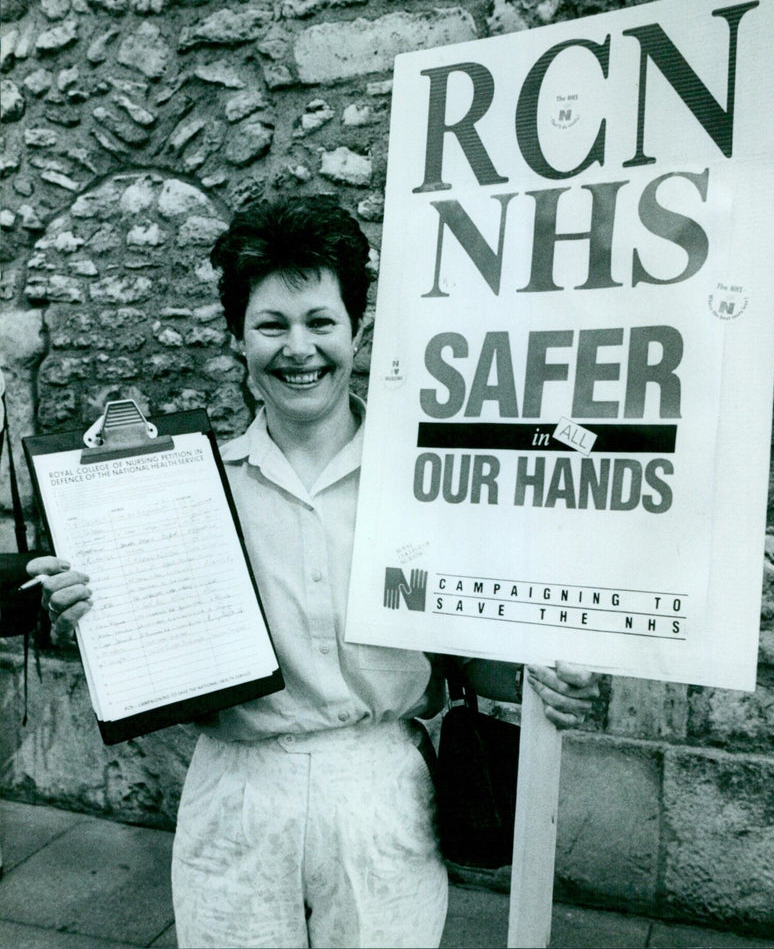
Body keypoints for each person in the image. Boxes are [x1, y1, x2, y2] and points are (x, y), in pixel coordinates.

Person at [39, 195, 600, 949]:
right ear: (238, 339)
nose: (298, 348)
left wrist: (551, 679)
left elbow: (479, 649)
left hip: (381, 785)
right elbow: (151, 649)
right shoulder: (191, 488)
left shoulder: (427, 480)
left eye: (320, 322)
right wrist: (87, 613)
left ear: (357, 330)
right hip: (236, 791)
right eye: (271, 325)